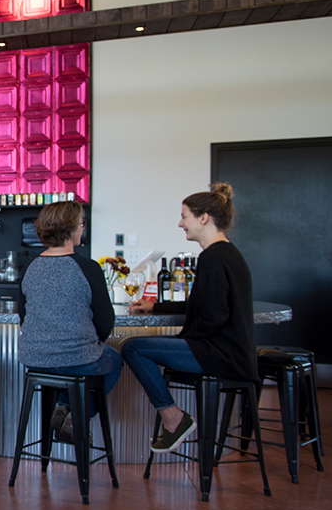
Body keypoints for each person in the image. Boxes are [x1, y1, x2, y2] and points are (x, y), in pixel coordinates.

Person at [123, 183, 257, 453]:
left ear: (203, 217)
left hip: (220, 355)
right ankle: (174, 419)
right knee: (140, 347)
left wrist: (184, 340)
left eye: (184, 216)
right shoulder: (226, 254)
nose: (180, 223)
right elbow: (203, 304)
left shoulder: (213, 258)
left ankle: (174, 419)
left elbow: (215, 315)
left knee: (132, 348)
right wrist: (155, 307)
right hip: (232, 353)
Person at [16, 201, 123, 442]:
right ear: (73, 229)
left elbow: (24, 318)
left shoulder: (29, 267)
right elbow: (105, 321)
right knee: (115, 359)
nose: (82, 228)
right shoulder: (88, 268)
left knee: (72, 366)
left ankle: (63, 407)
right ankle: (79, 415)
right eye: (81, 224)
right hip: (79, 360)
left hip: (34, 360)